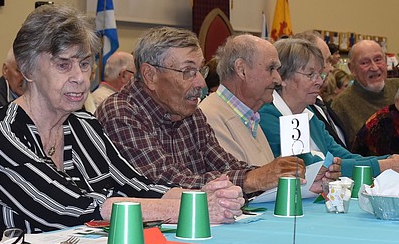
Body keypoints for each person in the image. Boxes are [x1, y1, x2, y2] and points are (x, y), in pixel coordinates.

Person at [0, 5, 244, 234]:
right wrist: (191, 209)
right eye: (63, 65)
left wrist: (207, 198)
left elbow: (135, 185)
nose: (80, 78)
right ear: (27, 68)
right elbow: (67, 207)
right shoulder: (1, 132)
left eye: (84, 64)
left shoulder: (83, 125)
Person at [97, 27, 339, 196]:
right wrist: (252, 179)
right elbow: (160, 181)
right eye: (188, 72)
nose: (200, 84)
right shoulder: (121, 112)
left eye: (200, 71)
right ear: (150, 75)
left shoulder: (190, 113)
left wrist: (294, 179)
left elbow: (225, 165)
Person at [259, 37, 399, 176]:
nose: (320, 82)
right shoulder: (268, 116)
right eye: (310, 75)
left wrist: (389, 160)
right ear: (283, 77)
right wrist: (381, 166)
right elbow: (311, 168)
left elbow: (342, 155)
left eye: (320, 74)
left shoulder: (307, 113)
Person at [330, 39, 399, 158]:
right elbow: (341, 151)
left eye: (378, 60)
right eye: (364, 63)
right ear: (352, 69)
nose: (374, 67)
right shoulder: (341, 105)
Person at [198, 34, 281, 166]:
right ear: (241, 69)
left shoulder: (250, 117)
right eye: (271, 69)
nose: (278, 79)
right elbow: (239, 181)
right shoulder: (208, 119)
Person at [293, 31, 347, 147]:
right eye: (326, 61)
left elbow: (338, 152)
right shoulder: (296, 109)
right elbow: (305, 161)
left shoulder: (315, 104)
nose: (331, 68)